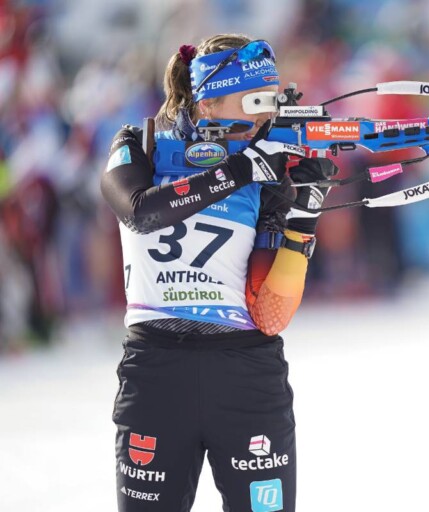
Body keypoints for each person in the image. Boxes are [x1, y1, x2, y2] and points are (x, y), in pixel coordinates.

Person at [101, 34, 338, 512]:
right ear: (208, 102)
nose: (266, 117)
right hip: (156, 372)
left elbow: (270, 313)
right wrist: (239, 171)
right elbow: (140, 212)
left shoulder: (268, 173)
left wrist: (305, 213)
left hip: (245, 373)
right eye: (254, 102)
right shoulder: (141, 143)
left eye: (272, 101)